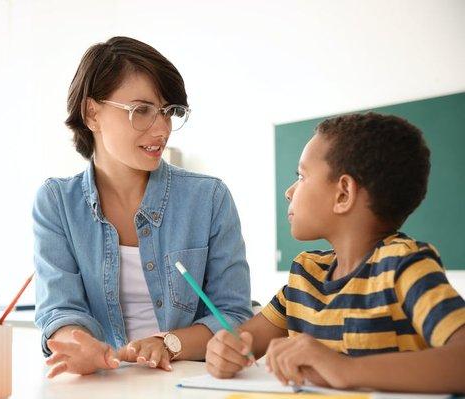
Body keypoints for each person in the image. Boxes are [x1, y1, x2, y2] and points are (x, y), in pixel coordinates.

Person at [33, 36, 253, 377]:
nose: (162, 128)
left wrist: (169, 342)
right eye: (142, 110)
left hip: (186, 382)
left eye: (169, 112)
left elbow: (233, 314)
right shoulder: (57, 202)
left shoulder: (208, 198)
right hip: (103, 383)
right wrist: (77, 343)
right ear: (92, 112)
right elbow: (59, 309)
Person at [205, 112, 465, 393]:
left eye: (302, 176)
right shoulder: (305, 274)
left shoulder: (403, 265)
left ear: (343, 194)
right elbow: (242, 342)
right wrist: (224, 351)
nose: (290, 192)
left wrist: (346, 370)